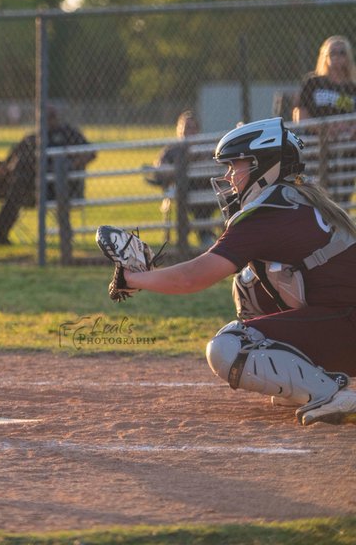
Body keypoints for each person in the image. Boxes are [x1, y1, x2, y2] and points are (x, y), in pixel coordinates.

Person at [110, 117, 356, 426]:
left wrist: (133, 278)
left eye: (235, 165)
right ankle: (309, 382)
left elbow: (194, 276)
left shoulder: (269, 212)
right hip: (343, 320)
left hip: (347, 323)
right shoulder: (294, 198)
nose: (228, 176)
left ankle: (331, 395)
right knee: (247, 285)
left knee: (228, 347)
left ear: (263, 165)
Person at [0, 106, 96, 246]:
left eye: (50, 117)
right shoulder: (32, 138)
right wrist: (0, 169)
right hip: (21, 186)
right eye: (42, 118)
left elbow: (90, 153)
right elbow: (7, 162)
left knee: (20, 182)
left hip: (53, 189)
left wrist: (70, 166)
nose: (46, 121)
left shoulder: (68, 134)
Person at [294, 35, 356, 202]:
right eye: (332, 52)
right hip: (316, 140)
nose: (336, 56)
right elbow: (301, 114)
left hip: (346, 142)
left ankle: (342, 209)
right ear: (325, 56)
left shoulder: (353, 87)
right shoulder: (313, 82)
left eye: (342, 52)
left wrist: (350, 130)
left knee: (343, 187)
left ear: (348, 57)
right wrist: (324, 131)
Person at [145, 110, 216, 246]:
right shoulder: (172, 150)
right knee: (184, 191)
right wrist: (182, 166)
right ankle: (196, 236)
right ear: (179, 130)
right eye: (186, 127)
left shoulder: (205, 149)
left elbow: (215, 168)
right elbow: (160, 170)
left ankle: (202, 234)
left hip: (205, 190)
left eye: (193, 128)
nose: (190, 131)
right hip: (182, 190)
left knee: (202, 195)